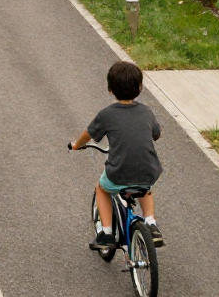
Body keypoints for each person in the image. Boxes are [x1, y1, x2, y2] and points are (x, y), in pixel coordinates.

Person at [70, 61, 164, 249]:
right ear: (139, 87)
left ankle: (106, 233)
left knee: (102, 189)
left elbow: (88, 134)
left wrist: (76, 145)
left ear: (110, 89)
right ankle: (151, 223)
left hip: (119, 173)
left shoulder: (107, 115)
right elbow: (156, 134)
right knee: (144, 188)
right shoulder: (146, 112)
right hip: (148, 170)